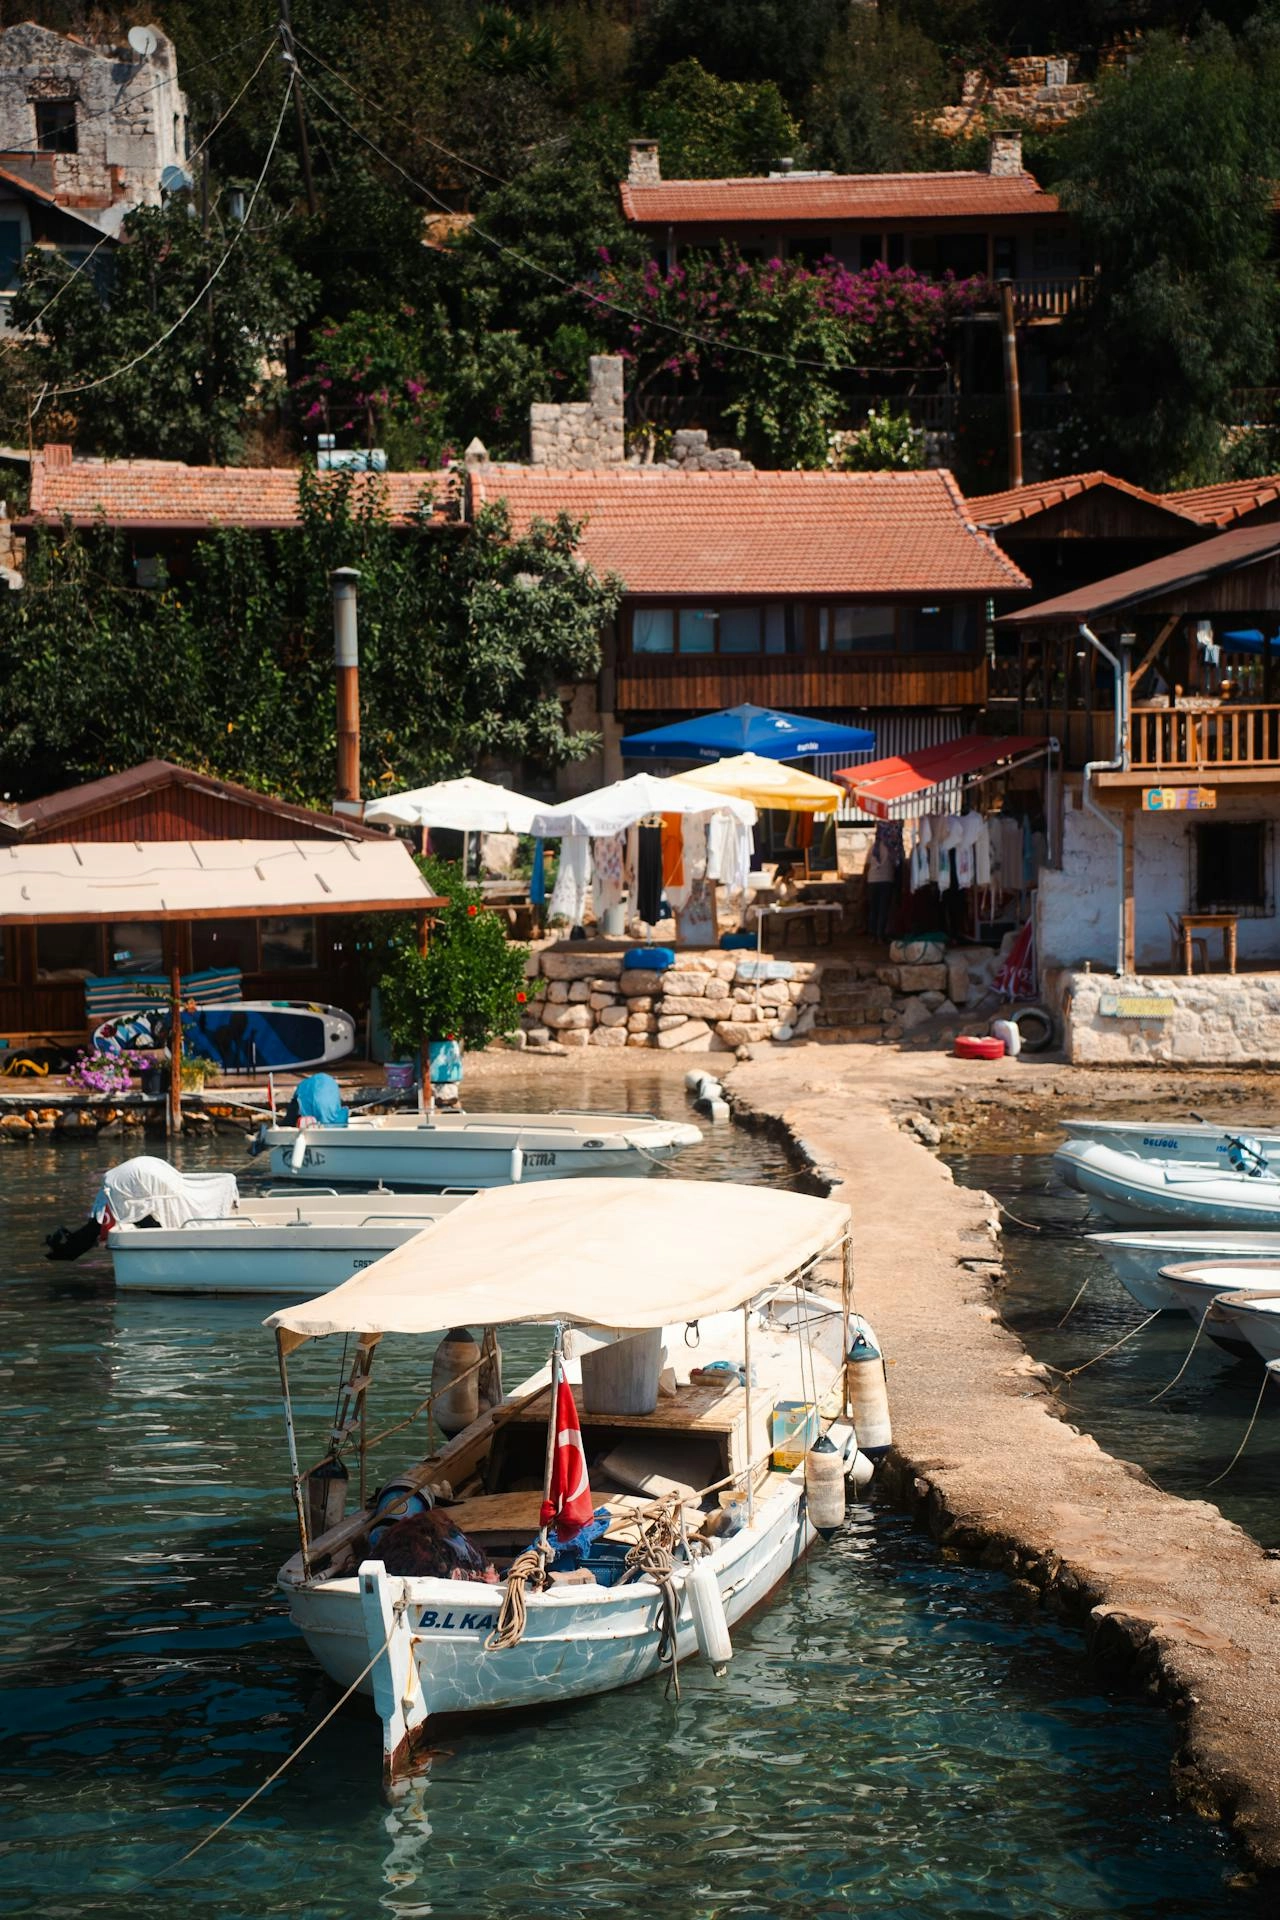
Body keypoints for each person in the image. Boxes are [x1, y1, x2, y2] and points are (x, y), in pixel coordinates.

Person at [864, 823, 902, 942]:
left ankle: (873, 935)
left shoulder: (873, 848)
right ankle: (880, 935)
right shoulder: (891, 847)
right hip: (886, 880)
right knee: (883, 909)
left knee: (873, 909)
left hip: (872, 880)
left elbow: (866, 866)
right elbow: (897, 863)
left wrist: (864, 882)